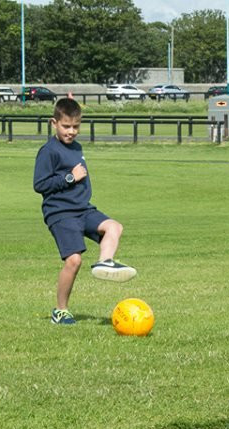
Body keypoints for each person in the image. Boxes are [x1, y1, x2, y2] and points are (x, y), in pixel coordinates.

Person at [33, 97, 136, 326]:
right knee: (74, 260)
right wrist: (70, 177)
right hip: (61, 213)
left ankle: (105, 261)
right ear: (54, 123)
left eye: (76, 127)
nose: (71, 132)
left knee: (114, 227)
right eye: (66, 126)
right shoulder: (48, 151)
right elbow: (40, 185)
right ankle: (60, 311)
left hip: (83, 209)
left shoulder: (77, 148)